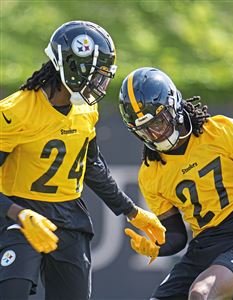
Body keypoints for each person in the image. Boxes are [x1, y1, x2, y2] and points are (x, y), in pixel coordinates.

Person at [0, 22, 165, 300]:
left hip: (70, 216)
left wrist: (132, 211)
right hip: (23, 213)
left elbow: (91, 164)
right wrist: (18, 213)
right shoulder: (15, 112)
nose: (101, 84)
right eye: (96, 75)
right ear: (72, 68)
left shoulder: (86, 108)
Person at [119, 67, 233, 300]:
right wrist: (158, 248)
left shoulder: (220, 132)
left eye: (158, 121)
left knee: (201, 293)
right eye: (144, 130)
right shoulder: (151, 172)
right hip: (201, 249)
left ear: (175, 105)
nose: (155, 133)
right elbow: (177, 237)